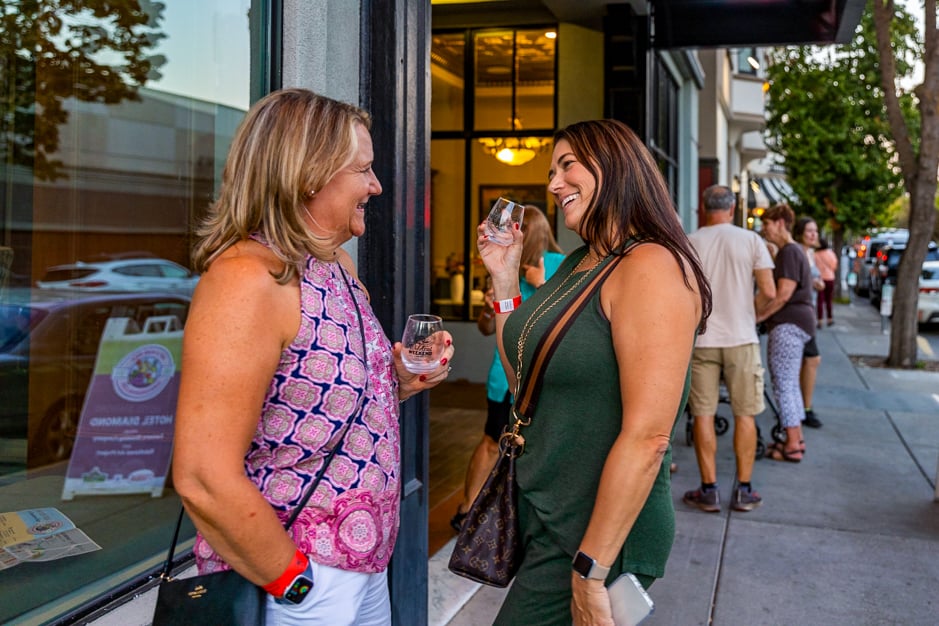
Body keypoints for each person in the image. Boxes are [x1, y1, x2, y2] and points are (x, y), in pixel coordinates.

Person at [172, 89, 455, 625]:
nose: (375, 185)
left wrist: (399, 380)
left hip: (362, 569)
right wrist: (295, 582)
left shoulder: (332, 266)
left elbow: (314, 406)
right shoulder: (246, 280)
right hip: (299, 579)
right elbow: (203, 474)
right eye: (363, 171)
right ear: (309, 175)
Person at [477, 119, 711, 626]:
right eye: (551, 171)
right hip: (550, 512)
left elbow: (649, 436)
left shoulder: (650, 265)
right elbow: (524, 381)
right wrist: (503, 276)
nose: (554, 184)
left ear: (616, 168)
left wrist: (590, 570)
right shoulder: (584, 261)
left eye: (568, 166)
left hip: (597, 535)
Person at [451, 206, 564, 532]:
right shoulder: (503, 267)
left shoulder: (560, 267)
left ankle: (521, 518)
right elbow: (487, 329)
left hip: (543, 378)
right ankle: (467, 508)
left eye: (517, 228)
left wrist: (541, 284)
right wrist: (488, 311)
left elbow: (563, 323)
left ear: (535, 231)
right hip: (504, 376)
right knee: (491, 441)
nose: (508, 235)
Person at [682, 185, 775, 513]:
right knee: (745, 414)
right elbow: (769, 290)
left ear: (704, 208)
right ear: (733, 207)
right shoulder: (751, 240)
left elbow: (683, 294)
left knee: (704, 415)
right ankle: (744, 490)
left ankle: (709, 490)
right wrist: (753, 313)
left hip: (703, 340)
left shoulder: (691, 242)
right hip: (741, 338)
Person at [756, 203, 814, 462]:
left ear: (780, 223)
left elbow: (782, 295)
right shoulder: (790, 252)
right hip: (798, 324)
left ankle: (791, 444)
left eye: (766, 223)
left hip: (788, 325)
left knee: (784, 385)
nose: (763, 228)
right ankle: (796, 439)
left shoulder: (790, 252)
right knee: (790, 384)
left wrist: (758, 317)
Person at [792, 216, 824, 429]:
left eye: (815, 231)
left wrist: (817, 283)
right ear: (800, 232)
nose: (813, 234)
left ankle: (802, 406)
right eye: (809, 230)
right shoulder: (795, 252)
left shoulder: (811, 254)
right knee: (811, 360)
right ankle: (803, 408)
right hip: (798, 316)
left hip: (808, 314)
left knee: (808, 361)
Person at [815, 236, 838, 327]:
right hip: (830, 278)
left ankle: (820, 320)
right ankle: (829, 319)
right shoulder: (830, 253)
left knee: (820, 300)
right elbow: (834, 266)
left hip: (820, 279)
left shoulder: (815, 254)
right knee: (829, 300)